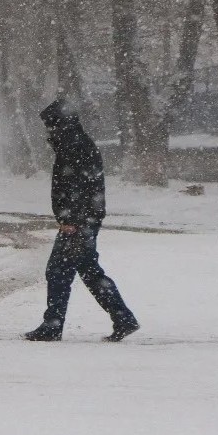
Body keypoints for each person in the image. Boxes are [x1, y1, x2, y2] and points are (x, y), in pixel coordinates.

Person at [24, 100, 140, 342]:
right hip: (86, 219)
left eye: (49, 125)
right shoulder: (76, 143)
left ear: (59, 123)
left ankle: (52, 325)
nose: (47, 131)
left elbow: (77, 187)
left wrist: (70, 219)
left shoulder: (74, 146)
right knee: (89, 270)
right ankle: (123, 318)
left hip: (78, 222)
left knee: (58, 271)